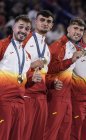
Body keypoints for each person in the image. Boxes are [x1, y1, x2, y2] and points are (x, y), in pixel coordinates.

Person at [45, 17, 86, 140]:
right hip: (56, 96)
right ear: (68, 29)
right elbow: (49, 70)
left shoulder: (75, 47)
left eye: (81, 30)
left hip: (67, 96)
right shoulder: (58, 46)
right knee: (51, 133)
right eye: (75, 28)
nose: (78, 32)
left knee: (65, 133)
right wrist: (71, 60)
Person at [23, 10, 54, 140]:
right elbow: (10, 64)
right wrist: (30, 65)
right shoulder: (24, 39)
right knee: (23, 134)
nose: (45, 23)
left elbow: (45, 74)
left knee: (38, 135)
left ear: (52, 25)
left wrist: (52, 83)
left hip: (41, 97)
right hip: (26, 94)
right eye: (42, 20)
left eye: (48, 21)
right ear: (35, 21)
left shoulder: (47, 49)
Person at [0, 15, 32, 140]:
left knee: (17, 137)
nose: (23, 31)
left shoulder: (27, 55)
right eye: (21, 27)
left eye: (27, 29)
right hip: (4, 101)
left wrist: (32, 78)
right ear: (13, 27)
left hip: (20, 102)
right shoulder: (3, 45)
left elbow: (23, 78)